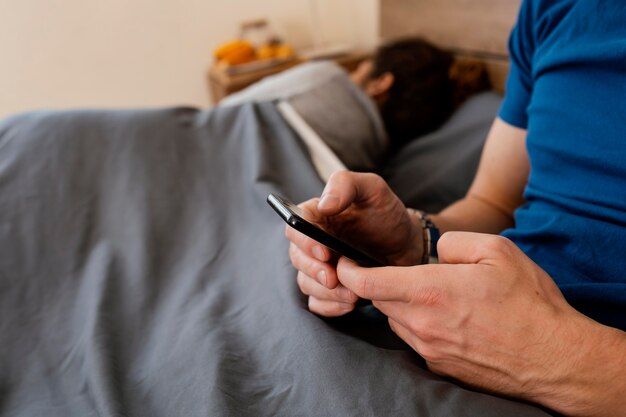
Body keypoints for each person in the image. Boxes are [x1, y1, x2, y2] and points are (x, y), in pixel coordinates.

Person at [285, 1, 626, 416]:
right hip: (457, 325)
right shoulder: (551, 10)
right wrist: (414, 240)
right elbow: (492, 201)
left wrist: (555, 358)